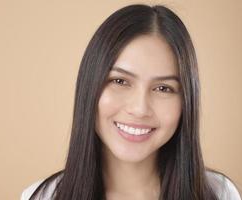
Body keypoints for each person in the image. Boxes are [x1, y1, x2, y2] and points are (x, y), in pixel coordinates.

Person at [21, 4, 241, 200]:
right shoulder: (42, 196)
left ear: (186, 102)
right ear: (90, 86)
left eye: (163, 88)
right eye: (120, 81)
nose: (139, 109)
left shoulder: (221, 194)